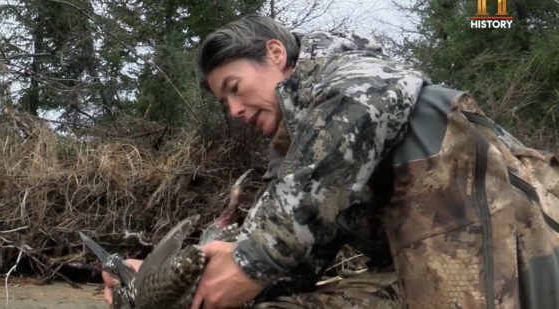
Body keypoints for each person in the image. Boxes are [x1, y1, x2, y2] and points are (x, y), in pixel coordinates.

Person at [103, 14, 559, 309]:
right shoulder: (297, 154)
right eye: (225, 102)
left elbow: (363, 110)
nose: (234, 111)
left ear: (275, 54)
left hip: (520, 251)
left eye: (235, 88)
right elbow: (292, 258)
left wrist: (251, 257)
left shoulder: (357, 77)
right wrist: (164, 282)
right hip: (414, 273)